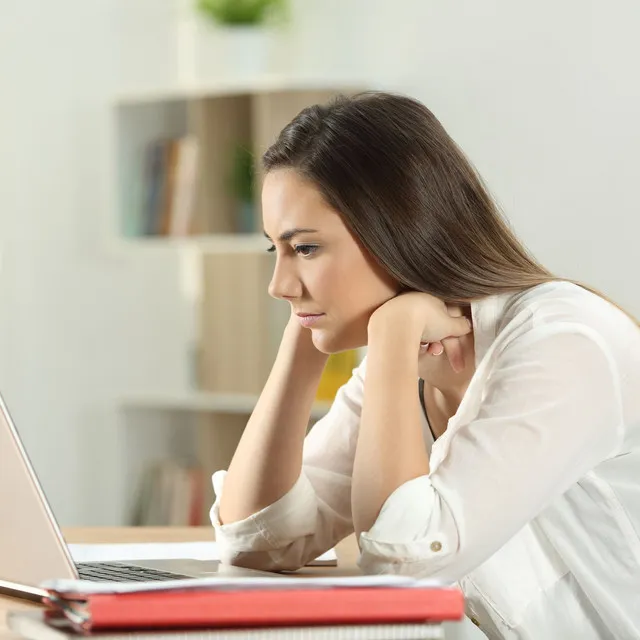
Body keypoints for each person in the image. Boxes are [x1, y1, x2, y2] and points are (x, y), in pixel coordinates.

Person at [210, 92, 640, 640]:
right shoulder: (409, 357)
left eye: (308, 249)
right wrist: (302, 342)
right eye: (277, 250)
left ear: (399, 231)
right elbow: (257, 542)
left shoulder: (563, 342)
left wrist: (389, 340)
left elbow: (403, 570)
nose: (279, 285)